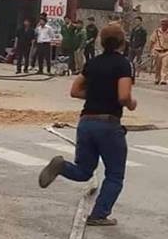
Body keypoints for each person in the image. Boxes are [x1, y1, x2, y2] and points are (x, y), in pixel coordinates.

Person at [39, 23, 136, 226]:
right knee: (115, 174)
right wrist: (131, 103)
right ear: (122, 42)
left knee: (84, 171)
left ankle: (61, 166)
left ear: (101, 41)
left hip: (86, 122)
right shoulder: (123, 64)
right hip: (108, 124)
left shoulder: (93, 63)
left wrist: (95, 95)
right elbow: (123, 96)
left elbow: (74, 91)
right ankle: (99, 215)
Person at [150, 17, 168, 86]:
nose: (163, 25)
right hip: (157, 51)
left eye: (165, 24)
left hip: (166, 51)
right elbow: (152, 41)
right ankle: (157, 78)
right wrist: (151, 51)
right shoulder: (156, 31)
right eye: (162, 24)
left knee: (165, 65)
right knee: (158, 66)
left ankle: (163, 79)